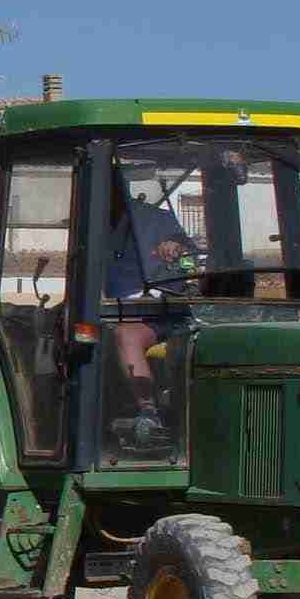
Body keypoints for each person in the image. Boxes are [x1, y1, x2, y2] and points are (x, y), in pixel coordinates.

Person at [103, 175, 195, 439]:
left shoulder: (153, 219)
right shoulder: (89, 225)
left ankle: (148, 411)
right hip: (108, 310)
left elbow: (181, 248)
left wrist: (174, 245)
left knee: (127, 333)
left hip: (157, 314)